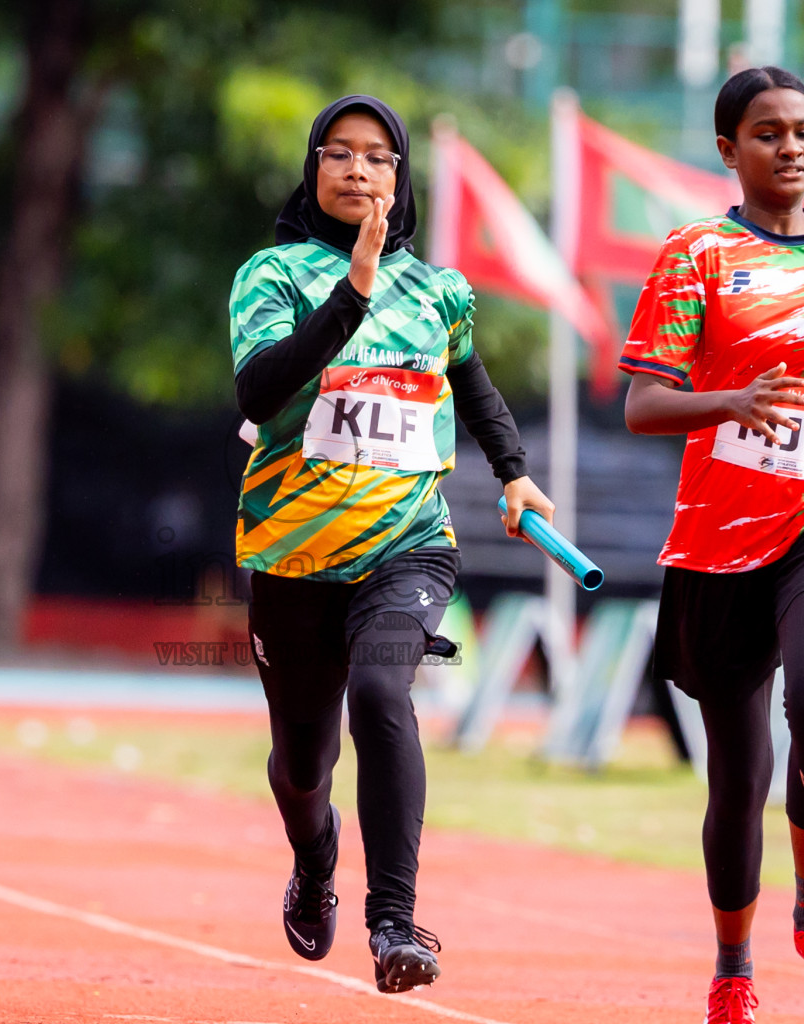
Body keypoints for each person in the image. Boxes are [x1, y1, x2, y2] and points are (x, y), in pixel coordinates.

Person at [229, 94, 554, 992]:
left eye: (378, 157)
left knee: (381, 693)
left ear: (398, 177)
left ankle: (395, 924)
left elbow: (474, 387)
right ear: (314, 168)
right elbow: (260, 392)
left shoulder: (440, 290)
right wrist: (353, 292)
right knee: (303, 767)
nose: (359, 170)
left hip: (406, 544)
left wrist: (515, 472)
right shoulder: (272, 275)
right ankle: (315, 857)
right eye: (340, 153)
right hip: (292, 553)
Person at [619, 67, 804, 1023]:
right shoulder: (696, 254)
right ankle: (732, 970)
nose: (790, 148)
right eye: (768, 133)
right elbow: (643, 403)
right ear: (728, 150)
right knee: (737, 778)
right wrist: (729, 402)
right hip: (719, 538)